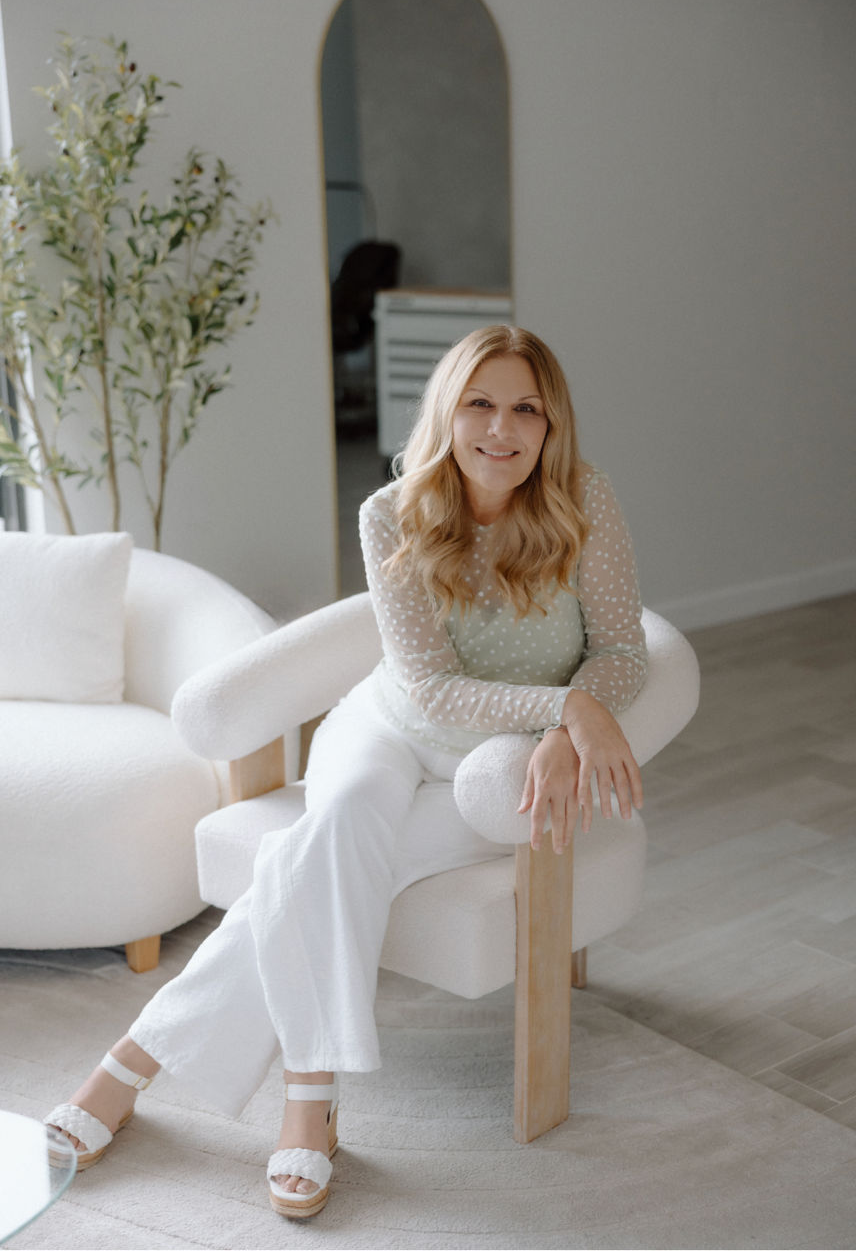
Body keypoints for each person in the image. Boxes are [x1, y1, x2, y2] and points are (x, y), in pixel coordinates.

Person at [45, 325, 647, 1220]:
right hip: (390, 725)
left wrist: (577, 712)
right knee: (336, 831)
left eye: (528, 407)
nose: (503, 429)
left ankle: (132, 1064)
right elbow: (431, 688)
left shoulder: (582, 499)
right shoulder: (391, 512)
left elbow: (624, 653)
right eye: (480, 402)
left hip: (484, 765)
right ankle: (310, 1102)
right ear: (446, 410)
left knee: (306, 865)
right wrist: (563, 707)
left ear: (553, 424)